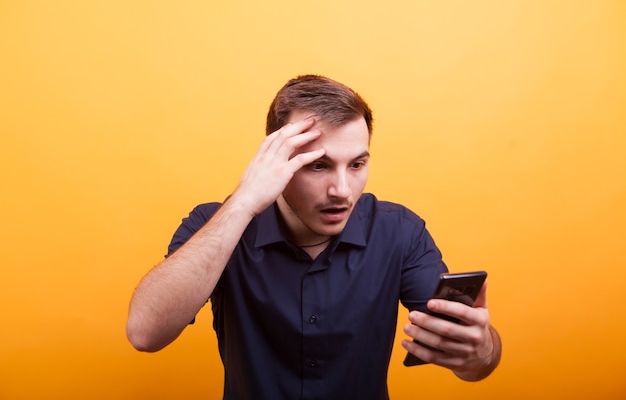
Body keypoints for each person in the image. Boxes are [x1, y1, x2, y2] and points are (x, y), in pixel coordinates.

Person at [126, 74, 502, 400]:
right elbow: (145, 333)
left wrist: (479, 350)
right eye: (318, 165)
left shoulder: (400, 231)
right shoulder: (214, 224)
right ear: (276, 160)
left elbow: (473, 363)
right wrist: (243, 202)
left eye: (356, 164)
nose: (342, 190)